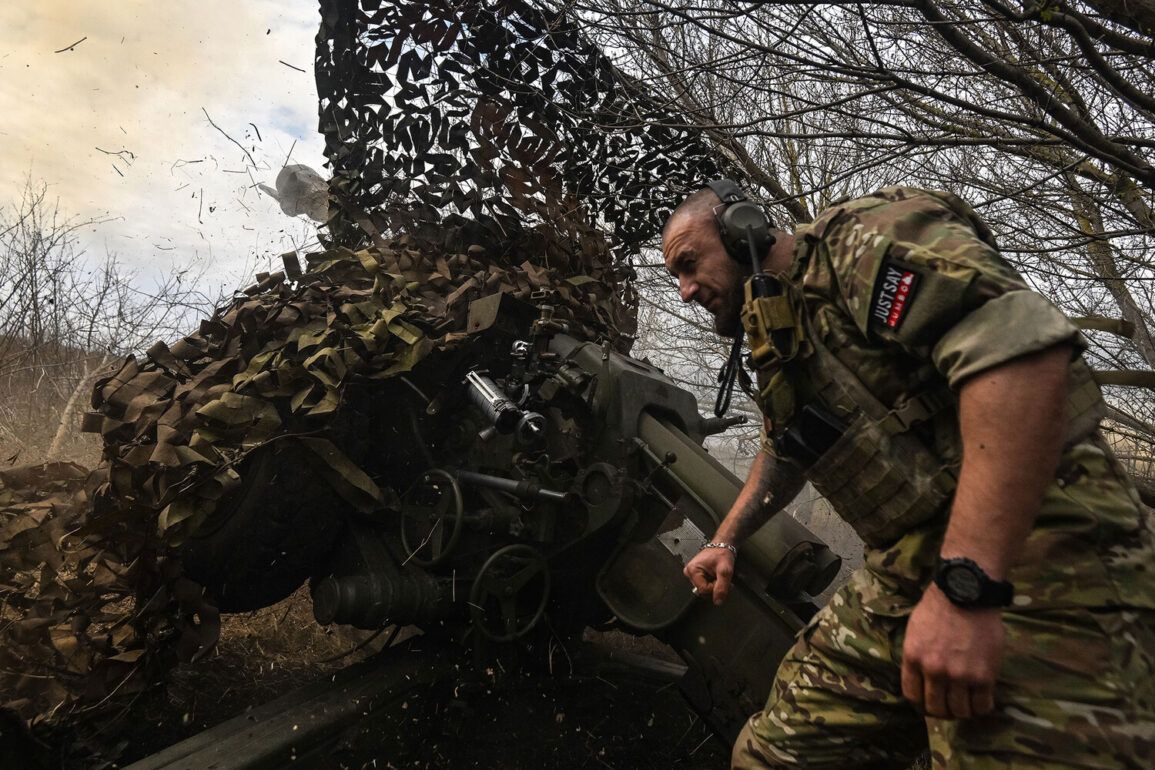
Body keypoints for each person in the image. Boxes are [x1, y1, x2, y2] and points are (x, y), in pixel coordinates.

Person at [663, 181, 1155, 768]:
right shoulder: (779, 336)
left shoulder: (862, 243)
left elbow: (1021, 355)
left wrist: (964, 592)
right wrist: (725, 540)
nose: (687, 291)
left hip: (1041, 545)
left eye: (690, 265)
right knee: (774, 755)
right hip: (906, 568)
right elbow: (786, 449)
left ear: (743, 227)